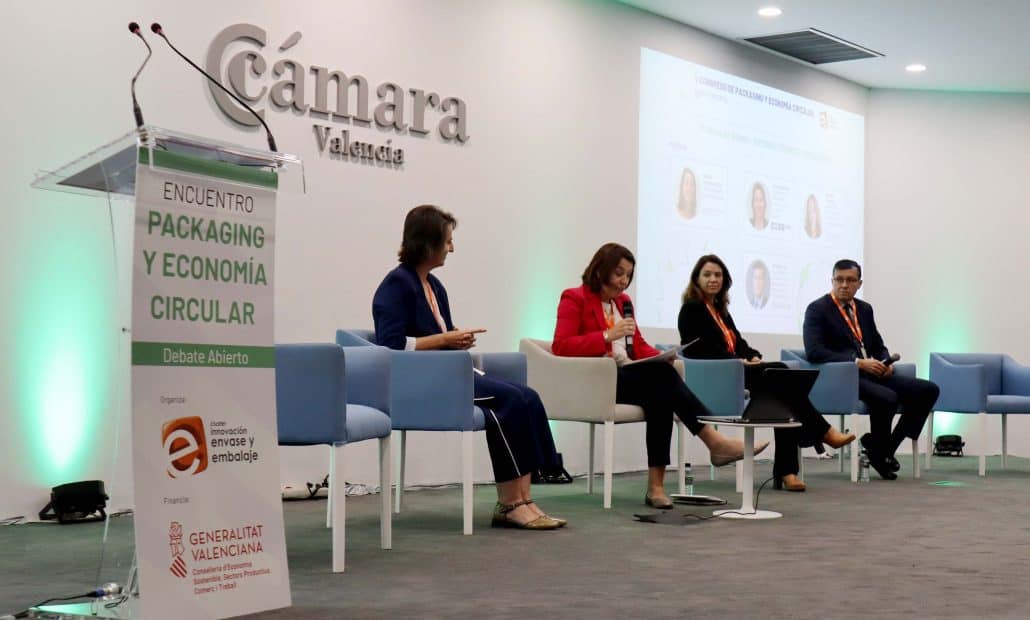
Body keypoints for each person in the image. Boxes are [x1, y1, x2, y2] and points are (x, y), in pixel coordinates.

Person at [372, 205, 565, 530]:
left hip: (449, 373)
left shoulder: (435, 286)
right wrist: (445, 338)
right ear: (428, 243)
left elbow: (438, 336)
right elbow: (390, 345)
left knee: (528, 397)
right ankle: (510, 504)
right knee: (511, 401)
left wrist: (455, 340)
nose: (452, 248)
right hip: (424, 382)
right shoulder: (396, 285)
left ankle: (525, 499)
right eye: (448, 240)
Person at [551, 243, 767, 508]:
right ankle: (714, 442)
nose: (624, 280)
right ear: (600, 270)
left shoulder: (623, 303)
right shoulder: (574, 298)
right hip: (597, 380)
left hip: (627, 375)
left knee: (661, 394)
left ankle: (657, 487)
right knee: (662, 380)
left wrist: (664, 355)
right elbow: (561, 346)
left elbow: (638, 345)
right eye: (619, 273)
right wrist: (607, 335)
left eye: (628, 275)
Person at [678, 254, 855, 491]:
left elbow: (739, 343)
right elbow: (699, 350)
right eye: (707, 274)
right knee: (780, 375)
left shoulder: (720, 310)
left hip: (736, 371)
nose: (713, 279)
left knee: (782, 394)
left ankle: (789, 469)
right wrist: (738, 361)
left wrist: (752, 355)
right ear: (696, 279)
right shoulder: (691, 309)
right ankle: (817, 438)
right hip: (716, 376)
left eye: (718, 275)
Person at [803, 259, 940, 480]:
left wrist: (885, 362)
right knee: (887, 397)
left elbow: (877, 344)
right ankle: (880, 452)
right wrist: (856, 362)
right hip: (842, 377)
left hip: (871, 373)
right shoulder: (817, 309)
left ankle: (884, 449)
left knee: (928, 390)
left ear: (859, 283)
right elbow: (814, 351)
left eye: (850, 280)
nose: (844, 285)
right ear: (832, 281)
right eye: (839, 279)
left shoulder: (864, 309)